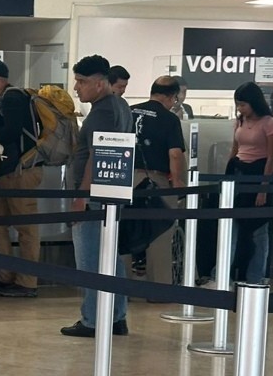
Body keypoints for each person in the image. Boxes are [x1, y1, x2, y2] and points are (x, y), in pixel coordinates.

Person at [61, 55, 133, 338]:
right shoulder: (120, 105)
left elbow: (96, 154)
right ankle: (116, 316)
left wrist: (81, 195)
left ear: (100, 84)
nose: (77, 88)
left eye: (82, 82)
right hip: (111, 192)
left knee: (90, 260)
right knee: (109, 258)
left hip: (95, 195)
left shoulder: (103, 110)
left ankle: (92, 319)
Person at [0, 58, 42, 298]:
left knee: (26, 227)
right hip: (8, 172)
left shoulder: (13, 98)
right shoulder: (5, 99)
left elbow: (10, 133)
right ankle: (6, 276)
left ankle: (27, 282)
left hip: (21, 171)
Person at [128, 76, 187, 282]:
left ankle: (120, 289)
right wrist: (178, 182)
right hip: (155, 181)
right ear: (172, 97)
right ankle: (158, 289)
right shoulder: (170, 119)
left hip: (126, 179)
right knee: (160, 235)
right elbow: (175, 154)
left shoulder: (129, 111)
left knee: (125, 232)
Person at [226, 81, 273, 284]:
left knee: (259, 230)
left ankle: (255, 276)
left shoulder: (269, 123)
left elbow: (271, 158)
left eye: (243, 104)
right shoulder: (239, 121)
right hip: (239, 171)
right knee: (232, 226)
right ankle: (227, 273)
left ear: (254, 103)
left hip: (259, 173)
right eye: (238, 104)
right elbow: (235, 148)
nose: (240, 109)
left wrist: (263, 190)